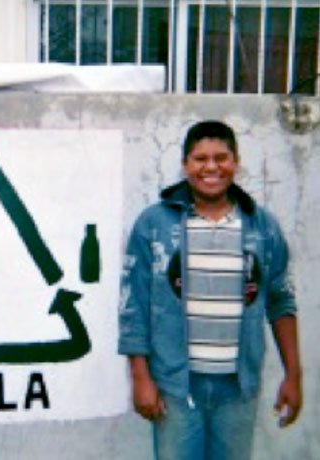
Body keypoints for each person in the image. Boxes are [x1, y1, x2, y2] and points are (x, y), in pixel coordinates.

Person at [118, 120, 302, 460]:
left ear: (236, 162)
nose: (211, 167)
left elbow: (281, 302)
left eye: (221, 157)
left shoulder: (261, 227)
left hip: (237, 388)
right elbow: (133, 307)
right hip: (175, 386)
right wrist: (140, 377)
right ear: (186, 165)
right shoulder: (155, 224)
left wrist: (293, 375)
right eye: (200, 159)